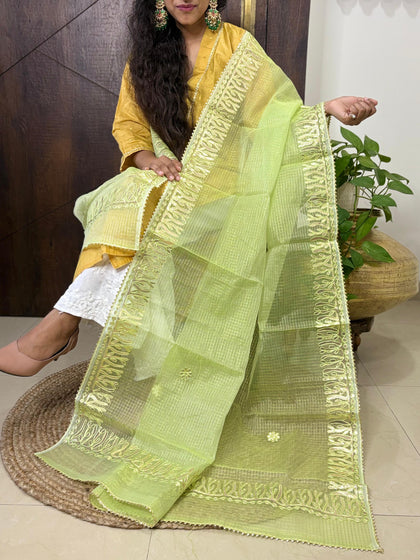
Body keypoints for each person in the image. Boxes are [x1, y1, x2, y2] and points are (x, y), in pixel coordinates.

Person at [0, 0, 382, 551]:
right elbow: (130, 124)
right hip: (166, 175)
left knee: (129, 215)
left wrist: (324, 109)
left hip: (228, 187)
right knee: (125, 198)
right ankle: (69, 328)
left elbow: (275, 116)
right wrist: (146, 159)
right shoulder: (146, 54)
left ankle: (59, 326)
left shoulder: (237, 46)